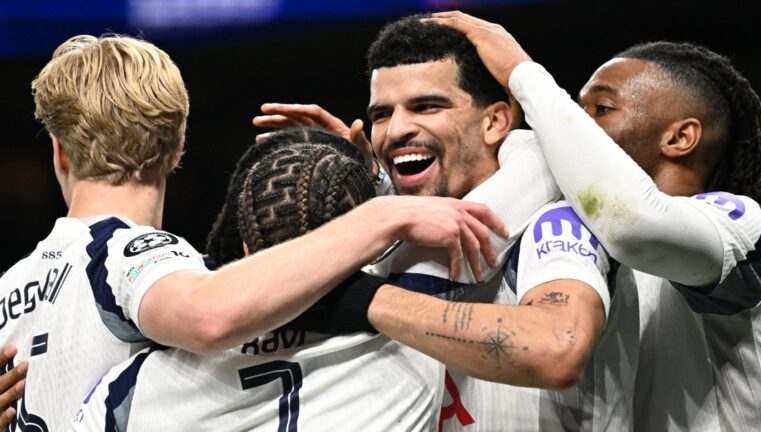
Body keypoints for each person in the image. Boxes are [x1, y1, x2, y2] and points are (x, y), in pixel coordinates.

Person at [0, 33, 502, 431]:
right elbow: (211, 314)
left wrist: (371, 184)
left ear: (59, 152)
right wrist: (381, 214)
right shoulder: (125, 255)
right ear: (178, 148)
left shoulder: (10, 287)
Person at [254, 15, 613, 431]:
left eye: (427, 107)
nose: (397, 130)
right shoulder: (383, 234)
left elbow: (557, 349)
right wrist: (358, 195)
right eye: (383, 115)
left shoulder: (553, 222)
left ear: (495, 122)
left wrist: (365, 298)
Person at [429, 10, 761, 431]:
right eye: (575, 110)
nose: (573, 128)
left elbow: (632, 223)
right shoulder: (583, 236)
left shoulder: (739, 226)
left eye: (600, 109)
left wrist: (523, 73)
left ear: (679, 138)